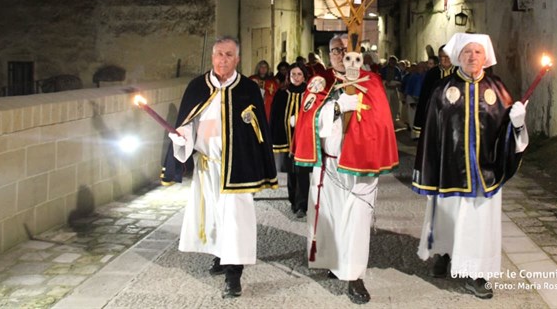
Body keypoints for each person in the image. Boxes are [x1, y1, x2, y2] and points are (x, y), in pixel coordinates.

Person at [411, 33, 528, 299]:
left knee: (479, 225)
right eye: (467, 52)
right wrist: (430, 171)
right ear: (457, 57)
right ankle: (443, 252)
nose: (472, 57)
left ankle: (477, 274)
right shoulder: (443, 90)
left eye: (477, 52)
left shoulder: (497, 89)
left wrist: (518, 123)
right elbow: (431, 133)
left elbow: (508, 133)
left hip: (484, 173)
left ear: (485, 56)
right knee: (446, 218)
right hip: (448, 170)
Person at [168, 36, 278, 299]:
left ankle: (233, 275)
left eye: (229, 55)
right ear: (212, 57)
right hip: (207, 168)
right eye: (219, 54)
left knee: (235, 222)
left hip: (236, 169)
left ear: (237, 59)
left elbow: (258, 131)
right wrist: (183, 135)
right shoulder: (198, 87)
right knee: (214, 218)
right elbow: (196, 124)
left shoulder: (248, 90)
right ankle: (220, 255)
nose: (223, 59)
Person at [292, 34, 399, 305]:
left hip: (359, 167)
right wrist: (336, 107)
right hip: (328, 165)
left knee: (357, 220)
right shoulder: (320, 82)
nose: (339, 54)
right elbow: (308, 119)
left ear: (357, 53)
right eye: (334, 50)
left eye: (345, 49)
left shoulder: (371, 81)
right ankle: (333, 261)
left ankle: (354, 277)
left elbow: (381, 124)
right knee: (329, 217)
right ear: (329, 54)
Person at [270, 62, 310, 218]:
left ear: (304, 76)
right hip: (286, 138)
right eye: (293, 74)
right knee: (291, 172)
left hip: (303, 139)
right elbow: (275, 116)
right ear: (288, 76)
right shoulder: (281, 93)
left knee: (302, 172)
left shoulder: (309, 93)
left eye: (299, 74)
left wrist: (301, 121)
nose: (296, 77)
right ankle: (293, 201)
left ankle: (302, 205)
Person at [411, 45, 456, 140]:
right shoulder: (432, 73)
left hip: (455, 116)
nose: (445, 59)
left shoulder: (459, 72)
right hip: (436, 115)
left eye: (448, 56)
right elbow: (424, 96)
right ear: (439, 58)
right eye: (442, 57)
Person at [379, 55, 403, 127]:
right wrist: (385, 82)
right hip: (386, 89)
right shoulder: (384, 69)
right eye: (391, 61)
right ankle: (385, 118)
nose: (393, 63)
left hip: (394, 88)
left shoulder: (397, 70)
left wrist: (396, 83)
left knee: (395, 104)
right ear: (389, 61)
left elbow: (399, 79)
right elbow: (380, 78)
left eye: (394, 62)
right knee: (387, 104)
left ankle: (393, 118)